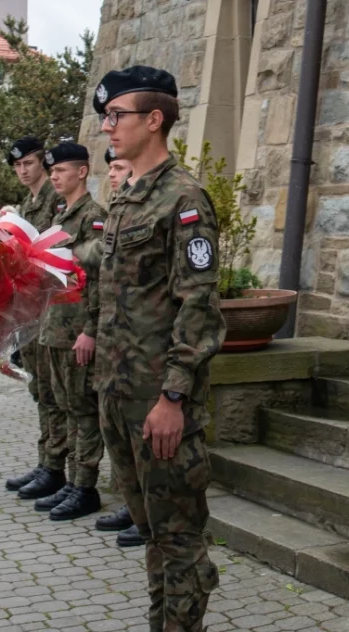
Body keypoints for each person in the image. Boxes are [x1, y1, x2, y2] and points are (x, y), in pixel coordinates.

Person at [93, 65, 226, 631]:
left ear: (154, 119)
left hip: (158, 403)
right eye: (105, 117)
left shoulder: (184, 200)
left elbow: (198, 307)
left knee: (178, 540)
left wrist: (174, 395)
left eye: (116, 115)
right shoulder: (125, 201)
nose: (107, 127)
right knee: (149, 532)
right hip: (117, 396)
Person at [33, 142, 106, 521]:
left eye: (61, 171)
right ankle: (68, 479)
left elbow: (97, 281)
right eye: (53, 172)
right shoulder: (60, 215)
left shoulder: (93, 217)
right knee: (62, 404)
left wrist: (91, 330)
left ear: (81, 172)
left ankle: (84, 485)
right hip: (55, 325)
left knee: (82, 408)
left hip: (77, 328)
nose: (55, 177)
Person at [3, 136, 70, 502]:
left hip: (54, 310)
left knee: (57, 393)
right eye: (17, 166)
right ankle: (47, 461)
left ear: (42, 163)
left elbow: (58, 253)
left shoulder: (56, 201)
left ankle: (58, 466)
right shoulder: (27, 205)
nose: (23, 171)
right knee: (40, 390)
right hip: (31, 311)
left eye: (28, 163)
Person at [94, 145, 144, 547]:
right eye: (109, 167)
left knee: (141, 443)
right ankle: (133, 506)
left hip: (142, 356)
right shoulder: (119, 208)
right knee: (120, 443)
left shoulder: (163, 203)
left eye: (119, 167)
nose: (113, 174)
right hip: (114, 352)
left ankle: (145, 515)